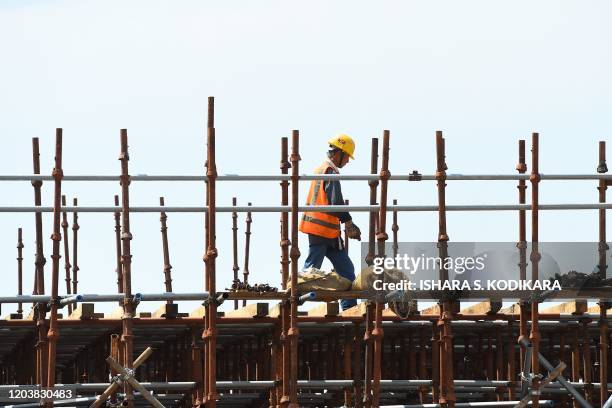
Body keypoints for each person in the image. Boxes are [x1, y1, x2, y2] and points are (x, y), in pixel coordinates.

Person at [299, 134, 362, 310]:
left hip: (330, 234)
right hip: (319, 231)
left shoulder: (323, 169)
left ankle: (350, 310)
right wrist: (348, 222)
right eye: (347, 157)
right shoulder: (329, 171)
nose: (348, 161)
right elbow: (335, 202)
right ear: (338, 153)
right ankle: (292, 303)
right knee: (309, 273)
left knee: (347, 272)